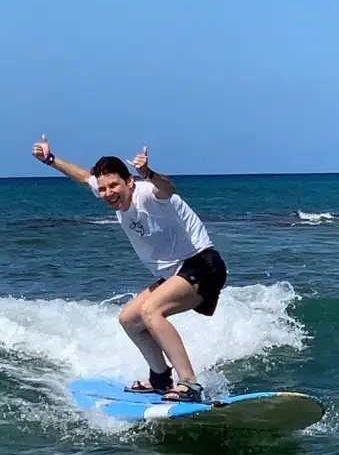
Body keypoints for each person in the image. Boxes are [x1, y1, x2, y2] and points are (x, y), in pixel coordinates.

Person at [32, 135, 227, 402]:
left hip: (203, 263)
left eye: (114, 185)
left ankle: (190, 384)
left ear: (130, 181)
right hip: (175, 273)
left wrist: (148, 172)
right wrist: (51, 160)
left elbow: (168, 188)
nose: (108, 193)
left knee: (151, 311)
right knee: (129, 319)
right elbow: (83, 176)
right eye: (102, 189)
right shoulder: (110, 192)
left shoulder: (147, 193)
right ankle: (160, 379)